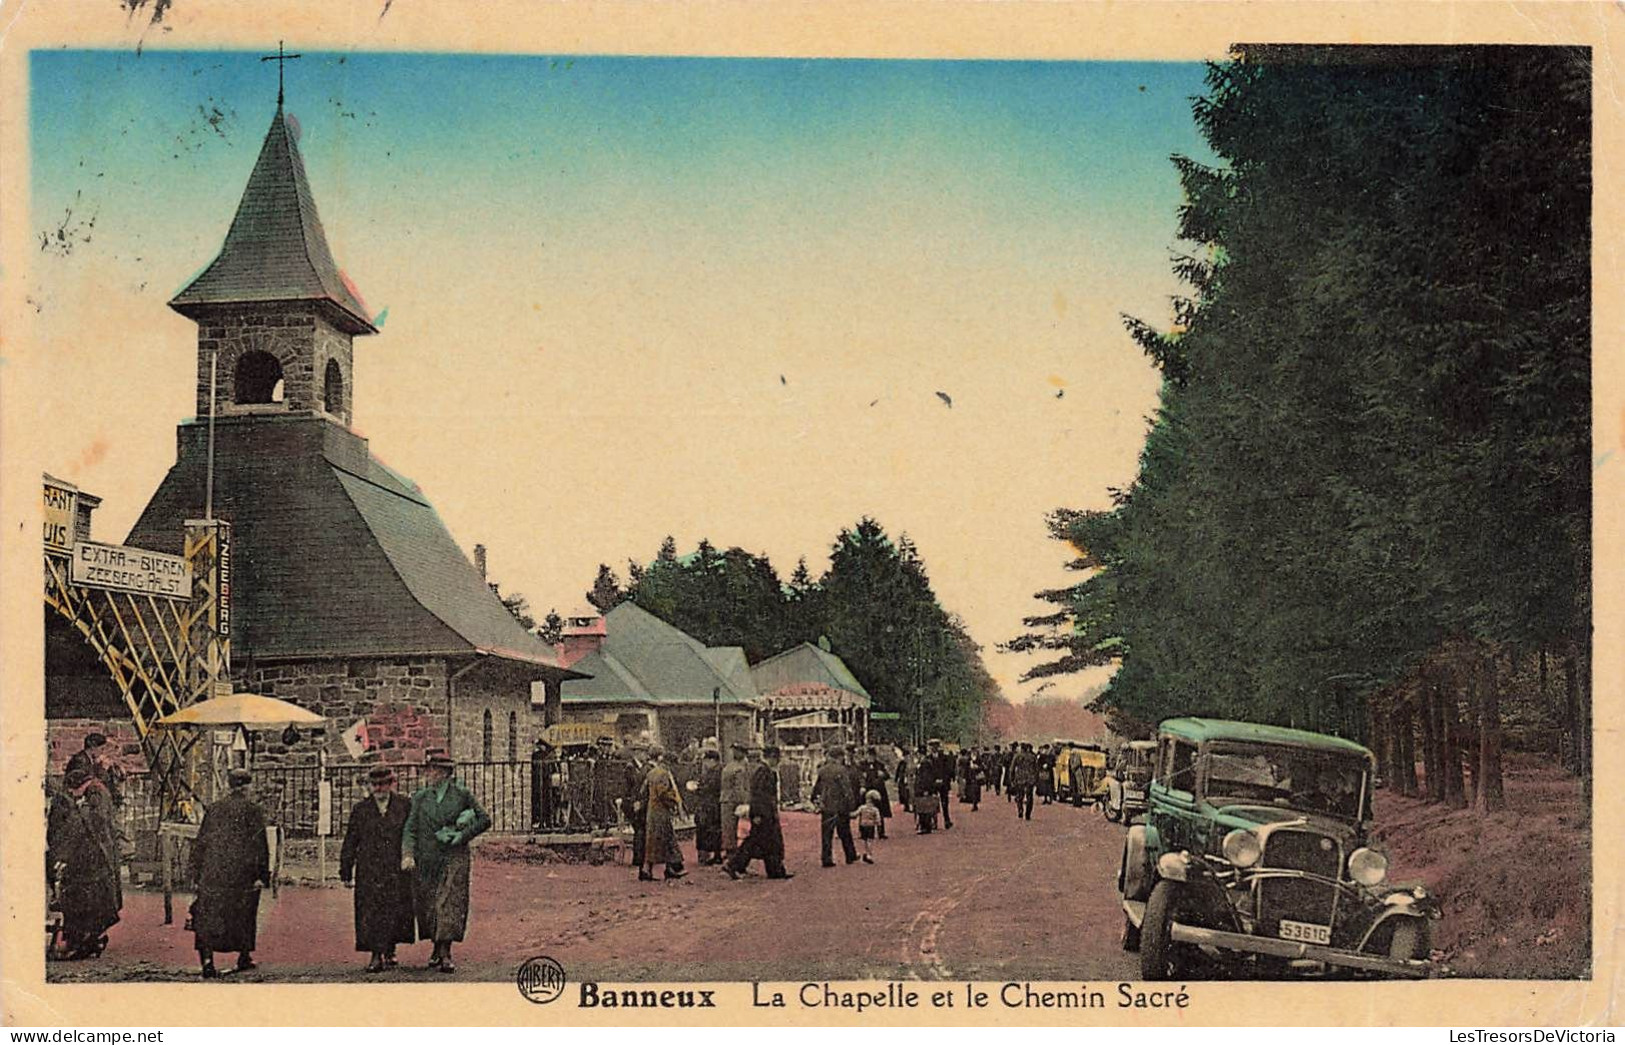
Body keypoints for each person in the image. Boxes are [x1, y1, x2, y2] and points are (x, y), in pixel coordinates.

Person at [401, 750, 491, 973]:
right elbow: (410, 829)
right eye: (429, 770)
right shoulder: (420, 797)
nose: (429, 774)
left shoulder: (461, 795)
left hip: (454, 856)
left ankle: (446, 952)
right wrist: (408, 854)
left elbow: (484, 819)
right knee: (429, 904)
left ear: (445, 773)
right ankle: (436, 945)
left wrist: (462, 836)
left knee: (449, 902)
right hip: (427, 857)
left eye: (434, 770)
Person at [190, 767, 270, 978]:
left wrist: (196, 873)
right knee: (243, 914)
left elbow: (202, 842)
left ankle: (207, 962)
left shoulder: (214, 809)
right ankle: (243, 957)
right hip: (242, 874)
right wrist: (262, 875)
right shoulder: (253, 810)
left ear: (229, 785)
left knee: (209, 916)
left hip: (214, 871)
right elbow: (259, 845)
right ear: (247, 787)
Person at [339, 766, 416, 972]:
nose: (379, 789)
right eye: (375, 785)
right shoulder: (361, 810)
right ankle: (375, 955)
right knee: (371, 911)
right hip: (369, 869)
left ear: (392, 784)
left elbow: (412, 835)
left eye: (383, 784)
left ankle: (389, 949)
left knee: (394, 910)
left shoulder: (404, 806)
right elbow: (351, 841)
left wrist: (410, 858)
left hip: (395, 868)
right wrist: (346, 870)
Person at [46, 769, 121, 959]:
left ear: (78, 786)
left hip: (96, 856)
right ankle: (92, 939)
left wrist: (62, 856)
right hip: (97, 856)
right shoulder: (96, 791)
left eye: (73, 792)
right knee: (93, 901)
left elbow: (90, 824)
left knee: (84, 900)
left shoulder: (95, 794)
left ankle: (86, 941)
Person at [724, 746, 793, 881]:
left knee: (763, 842)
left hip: (764, 812)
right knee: (761, 842)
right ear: (773, 757)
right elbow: (759, 795)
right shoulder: (764, 772)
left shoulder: (763, 770)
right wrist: (757, 814)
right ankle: (735, 865)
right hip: (764, 813)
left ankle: (774, 869)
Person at [641, 745, 687, 881]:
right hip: (660, 812)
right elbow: (663, 793)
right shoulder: (662, 774)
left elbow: (643, 791)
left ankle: (667, 868)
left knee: (660, 841)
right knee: (661, 840)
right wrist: (673, 800)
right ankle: (650, 870)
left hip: (653, 810)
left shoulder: (652, 773)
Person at [813, 744, 859, 867]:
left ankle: (826, 858)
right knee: (845, 832)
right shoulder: (841, 770)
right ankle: (850, 855)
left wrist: (815, 800)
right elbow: (846, 789)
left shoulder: (822, 770)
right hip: (840, 806)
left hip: (826, 806)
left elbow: (817, 787)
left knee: (827, 834)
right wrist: (852, 805)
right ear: (839, 757)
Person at [65, 733, 125, 807]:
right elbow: (91, 782)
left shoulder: (90, 759)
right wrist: (103, 768)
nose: (102, 752)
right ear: (93, 748)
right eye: (101, 749)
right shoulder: (80, 760)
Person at [619, 740, 652, 871]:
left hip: (637, 802)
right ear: (637, 753)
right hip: (631, 804)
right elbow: (633, 786)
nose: (645, 756)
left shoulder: (640, 766)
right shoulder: (630, 767)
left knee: (642, 829)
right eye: (643, 753)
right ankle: (638, 858)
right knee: (639, 829)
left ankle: (641, 857)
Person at [692, 742, 724, 865]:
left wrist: (698, 788)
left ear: (712, 760)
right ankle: (714, 854)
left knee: (712, 829)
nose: (704, 763)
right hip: (708, 804)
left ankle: (716, 854)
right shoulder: (711, 771)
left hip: (712, 804)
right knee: (710, 829)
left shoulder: (717, 772)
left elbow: (712, 787)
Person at [719, 741, 751, 862]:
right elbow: (740, 788)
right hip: (733, 801)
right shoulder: (739, 769)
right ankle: (733, 858)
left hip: (725, 800)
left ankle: (730, 854)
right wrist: (745, 803)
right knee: (736, 830)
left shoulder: (728, 767)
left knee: (728, 829)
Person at [857, 748, 892, 839]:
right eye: (869, 755)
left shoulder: (879, 765)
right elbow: (858, 777)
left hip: (879, 791)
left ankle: (881, 832)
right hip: (867, 791)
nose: (871, 757)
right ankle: (866, 833)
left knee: (879, 812)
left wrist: (883, 775)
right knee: (865, 812)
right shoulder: (862, 765)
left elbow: (888, 775)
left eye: (872, 755)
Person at [925, 739, 955, 830]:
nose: (934, 748)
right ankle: (933, 822)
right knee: (932, 803)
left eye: (936, 746)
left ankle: (947, 820)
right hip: (932, 784)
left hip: (943, 784)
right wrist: (932, 781)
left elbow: (948, 770)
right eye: (932, 746)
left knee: (945, 803)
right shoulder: (927, 759)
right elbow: (926, 772)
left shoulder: (945, 758)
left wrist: (944, 779)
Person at [1010, 742, 1038, 821]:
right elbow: (1036, 769)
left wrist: (1012, 779)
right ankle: (1028, 814)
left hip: (1020, 778)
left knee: (1019, 796)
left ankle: (1020, 810)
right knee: (1029, 797)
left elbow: (1012, 769)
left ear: (1021, 748)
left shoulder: (1017, 756)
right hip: (1030, 779)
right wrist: (1036, 779)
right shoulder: (1032, 757)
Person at [856, 790, 882, 864]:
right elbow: (878, 819)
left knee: (864, 840)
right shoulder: (875, 809)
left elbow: (856, 814)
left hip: (863, 824)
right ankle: (869, 854)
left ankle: (865, 851)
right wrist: (878, 824)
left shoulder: (862, 807)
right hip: (870, 825)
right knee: (870, 840)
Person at [961, 747, 983, 811]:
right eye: (973, 751)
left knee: (976, 790)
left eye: (975, 751)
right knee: (972, 790)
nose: (974, 752)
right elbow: (966, 768)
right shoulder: (969, 758)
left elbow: (982, 766)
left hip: (977, 776)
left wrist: (978, 767)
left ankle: (975, 803)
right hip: (970, 776)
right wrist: (964, 777)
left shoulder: (979, 758)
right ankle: (974, 804)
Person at [894, 747, 912, 813]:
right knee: (903, 793)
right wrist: (896, 779)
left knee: (908, 793)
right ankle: (906, 806)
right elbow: (898, 771)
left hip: (909, 780)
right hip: (902, 780)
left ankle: (908, 806)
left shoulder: (911, 763)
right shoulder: (901, 763)